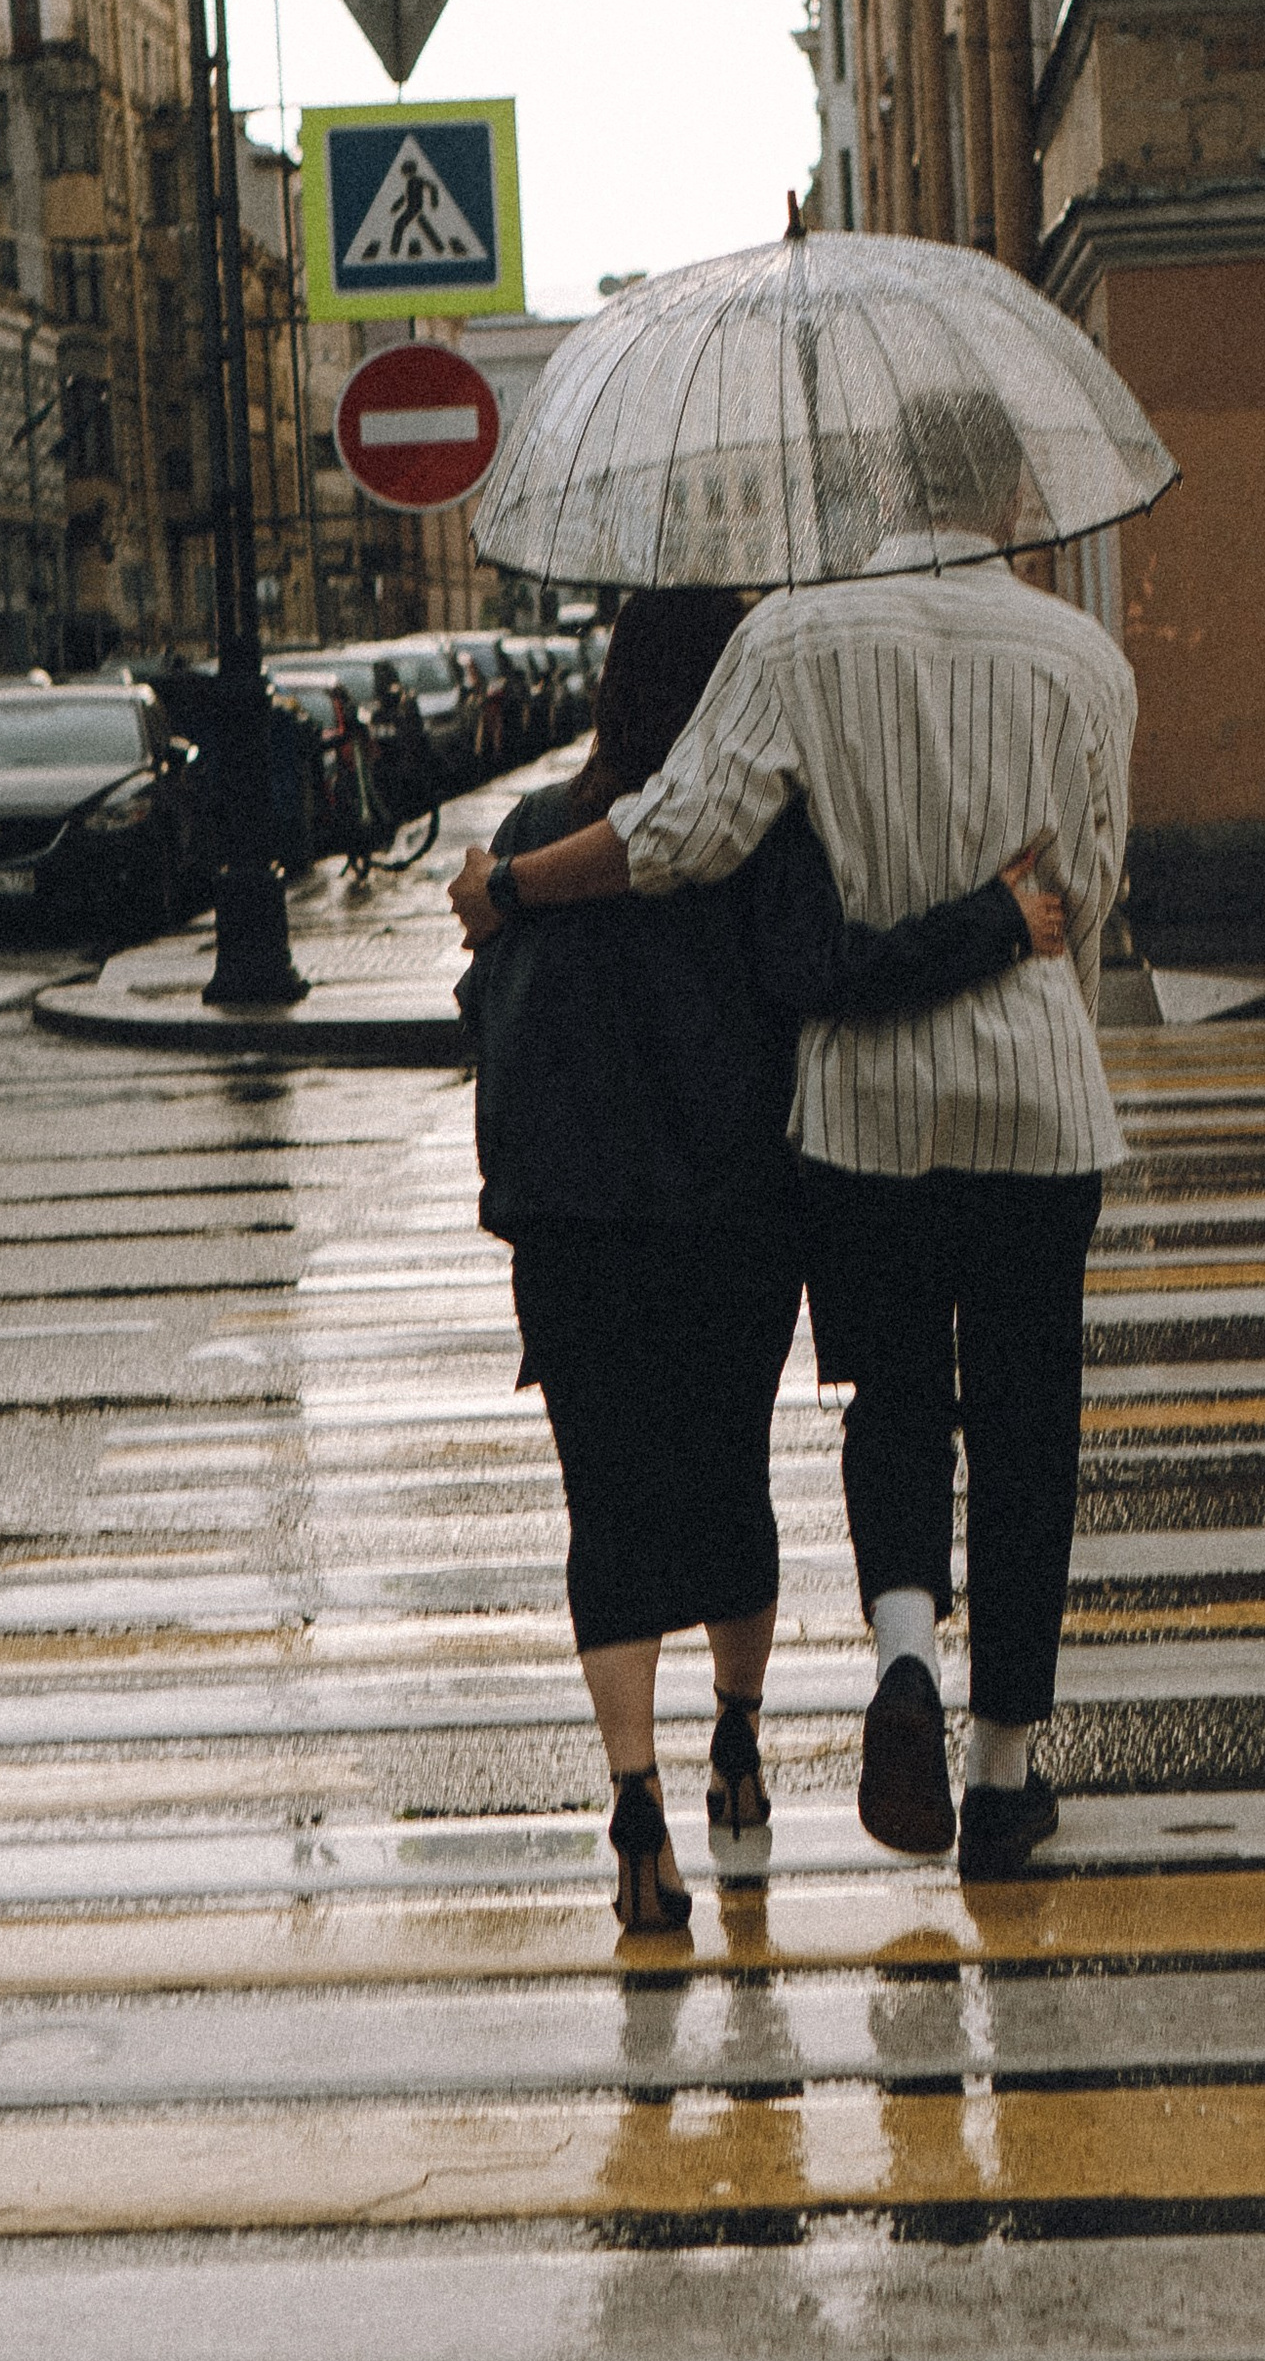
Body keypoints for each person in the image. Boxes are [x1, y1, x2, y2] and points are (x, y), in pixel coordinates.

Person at [451, 496, 1136, 1887]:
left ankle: (900, 1657)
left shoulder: (797, 646)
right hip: (1039, 1101)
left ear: (879, 502)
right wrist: (1027, 964)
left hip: (863, 1119)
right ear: (1002, 503)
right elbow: (1098, 883)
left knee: (891, 1401)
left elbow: (680, 834)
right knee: (1027, 1433)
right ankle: (1003, 1777)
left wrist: (515, 884)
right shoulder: (1087, 658)